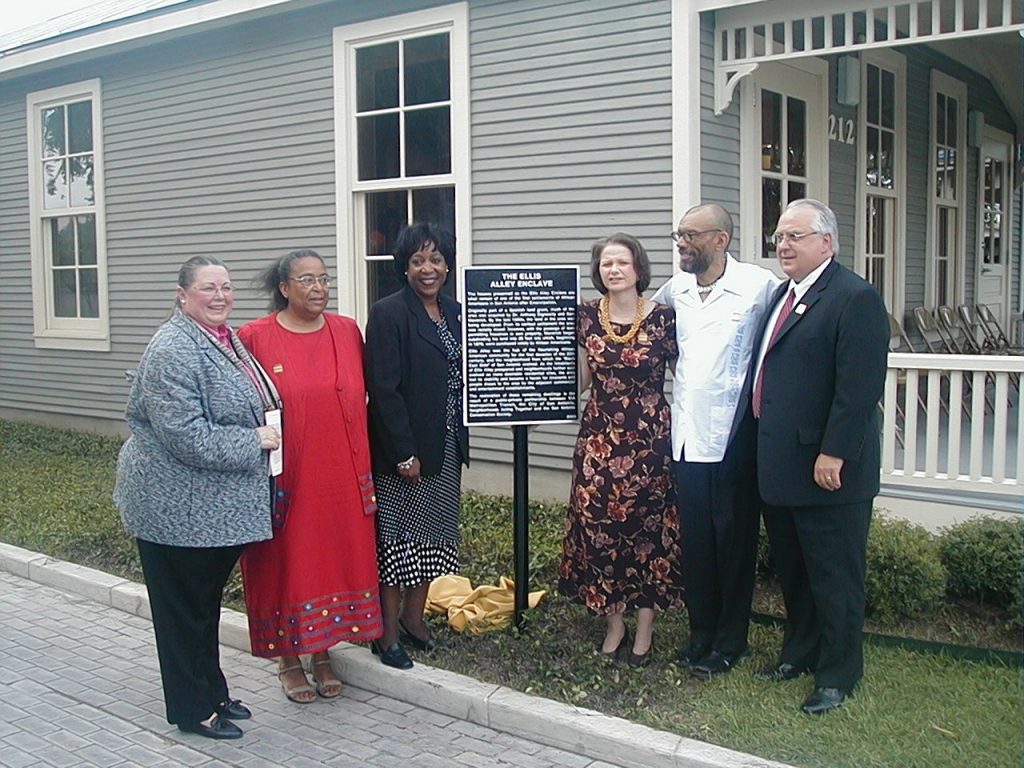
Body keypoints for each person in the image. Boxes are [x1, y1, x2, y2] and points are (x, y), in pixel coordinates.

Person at [113, 256, 281, 740]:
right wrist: (257, 441)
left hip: (210, 506)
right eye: (208, 288)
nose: (220, 296)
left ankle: (214, 691)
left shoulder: (222, 338)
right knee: (184, 611)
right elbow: (187, 437)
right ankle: (193, 710)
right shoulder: (172, 348)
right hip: (173, 507)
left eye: (226, 287)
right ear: (182, 295)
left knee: (202, 606)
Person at [750, 199, 888, 715]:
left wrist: (834, 453)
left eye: (794, 236)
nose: (782, 245)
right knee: (795, 572)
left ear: (826, 243)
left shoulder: (854, 298)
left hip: (829, 471)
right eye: (779, 237)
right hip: (781, 467)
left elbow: (858, 389)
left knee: (835, 577)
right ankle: (800, 652)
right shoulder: (782, 297)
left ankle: (838, 674)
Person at [238, 250, 382, 703]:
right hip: (287, 478)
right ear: (284, 288)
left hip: (341, 472)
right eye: (306, 280)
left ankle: (323, 651)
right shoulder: (255, 337)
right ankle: (288, 657)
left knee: (334, 561)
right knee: (289, 563)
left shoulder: (346, 331)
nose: (319, 288)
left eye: (323, 279)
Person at [649, 204, 779, 679]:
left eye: (691, 235)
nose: (681, 243)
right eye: (678, 234)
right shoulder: (674, 289)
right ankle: (700, 632)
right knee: (697, 544)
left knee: (734, 543)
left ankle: (730, 642)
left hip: (735, 437)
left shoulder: (758, 286)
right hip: (685, 438)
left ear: (721, 240)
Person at [559, 233, 683, 667]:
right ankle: (614, 624)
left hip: (650, 440)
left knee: (648, 533)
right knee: (599, 530)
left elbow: (683, 379)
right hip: (598, 438)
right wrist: (537, 403)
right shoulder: (587, 317)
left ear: (638, 269)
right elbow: (581, 378)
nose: (614, 270)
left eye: (622, 263)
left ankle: (645, 629)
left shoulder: (664, 319)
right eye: (607, 263)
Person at [364, 222, 470, 670]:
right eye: (417, 261)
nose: (428, 269)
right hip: (405, 452)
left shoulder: (455, 310)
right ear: (404, 267)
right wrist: (403, 451)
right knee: (398, 543)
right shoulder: (389, 313)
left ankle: (414, 618)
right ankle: (385, 634)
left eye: (436, 259)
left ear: (448, 264)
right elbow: (383, 390)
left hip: (445, 445)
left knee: (432, 538)